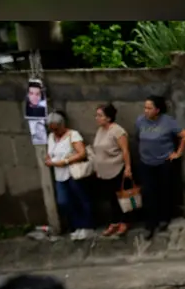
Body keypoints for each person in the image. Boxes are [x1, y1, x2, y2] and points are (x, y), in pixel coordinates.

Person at [134, 95, 185, 240]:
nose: (146, 111)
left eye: (149, 108)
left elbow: (184, 135)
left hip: (163, 162)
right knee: (148, 193)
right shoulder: (140, 121)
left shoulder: (167, 122)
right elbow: (137, 138)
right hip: (146, 162)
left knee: (164, 191)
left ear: (157, 110)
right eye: (145, 107)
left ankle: (164, 219)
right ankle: (150, 224)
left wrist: (178, 153)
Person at [43, 111, 94, 240]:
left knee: (82, 199)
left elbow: (82, 153)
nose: (54, 131)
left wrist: (65, 161)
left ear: (62, 125)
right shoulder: (51, 137)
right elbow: (51, 153)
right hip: (59, 175)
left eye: (56, 128)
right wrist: (49, 160)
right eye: (51, 129)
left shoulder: (73, 135)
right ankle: (77, 226)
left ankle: (87, 227)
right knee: (64, 202)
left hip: (73, 174)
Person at [91, 103, 132, 237]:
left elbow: (125, 150)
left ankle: (125, 222)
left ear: (108, 118)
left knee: (122, 197)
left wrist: (128, 167)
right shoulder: (100, 130)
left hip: (117, 167)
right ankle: (114, 222)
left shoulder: (118, 131)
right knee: (110, 198)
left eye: (100, 115)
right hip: (104, 171)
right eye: (96, 115)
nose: (97, 118)